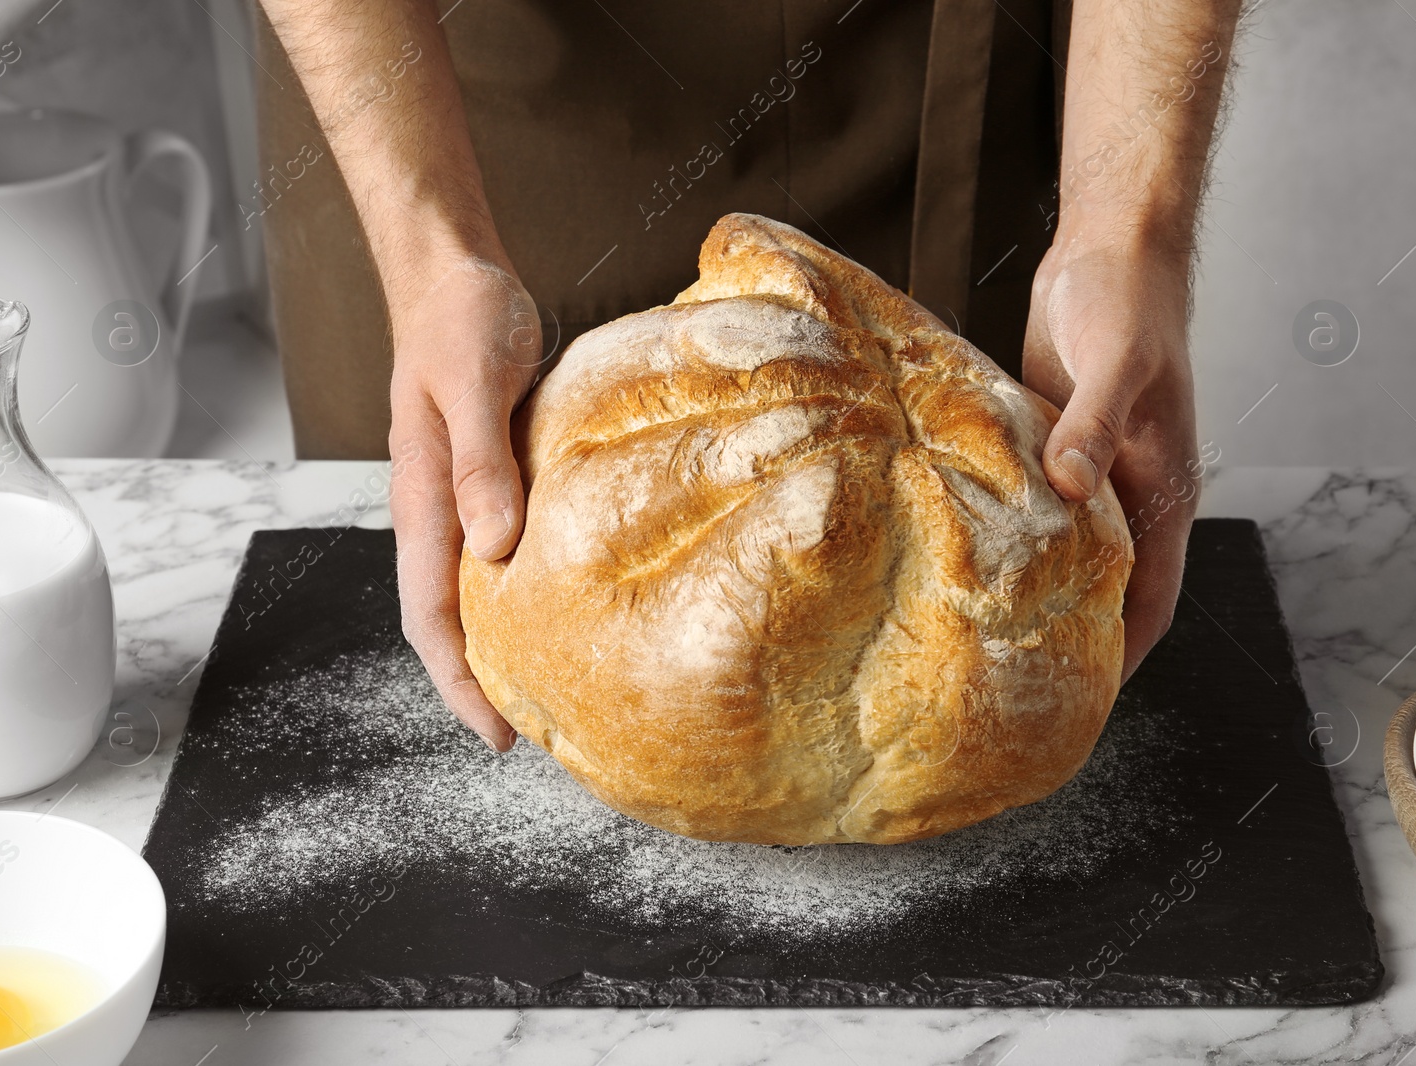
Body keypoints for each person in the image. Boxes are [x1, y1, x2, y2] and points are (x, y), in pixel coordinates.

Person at [252, 0, 1239, 752]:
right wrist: (434, 261)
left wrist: (1123, 233)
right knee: (476, 516)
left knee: (1001, 565)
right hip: (469, 90)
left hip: (942, 70)